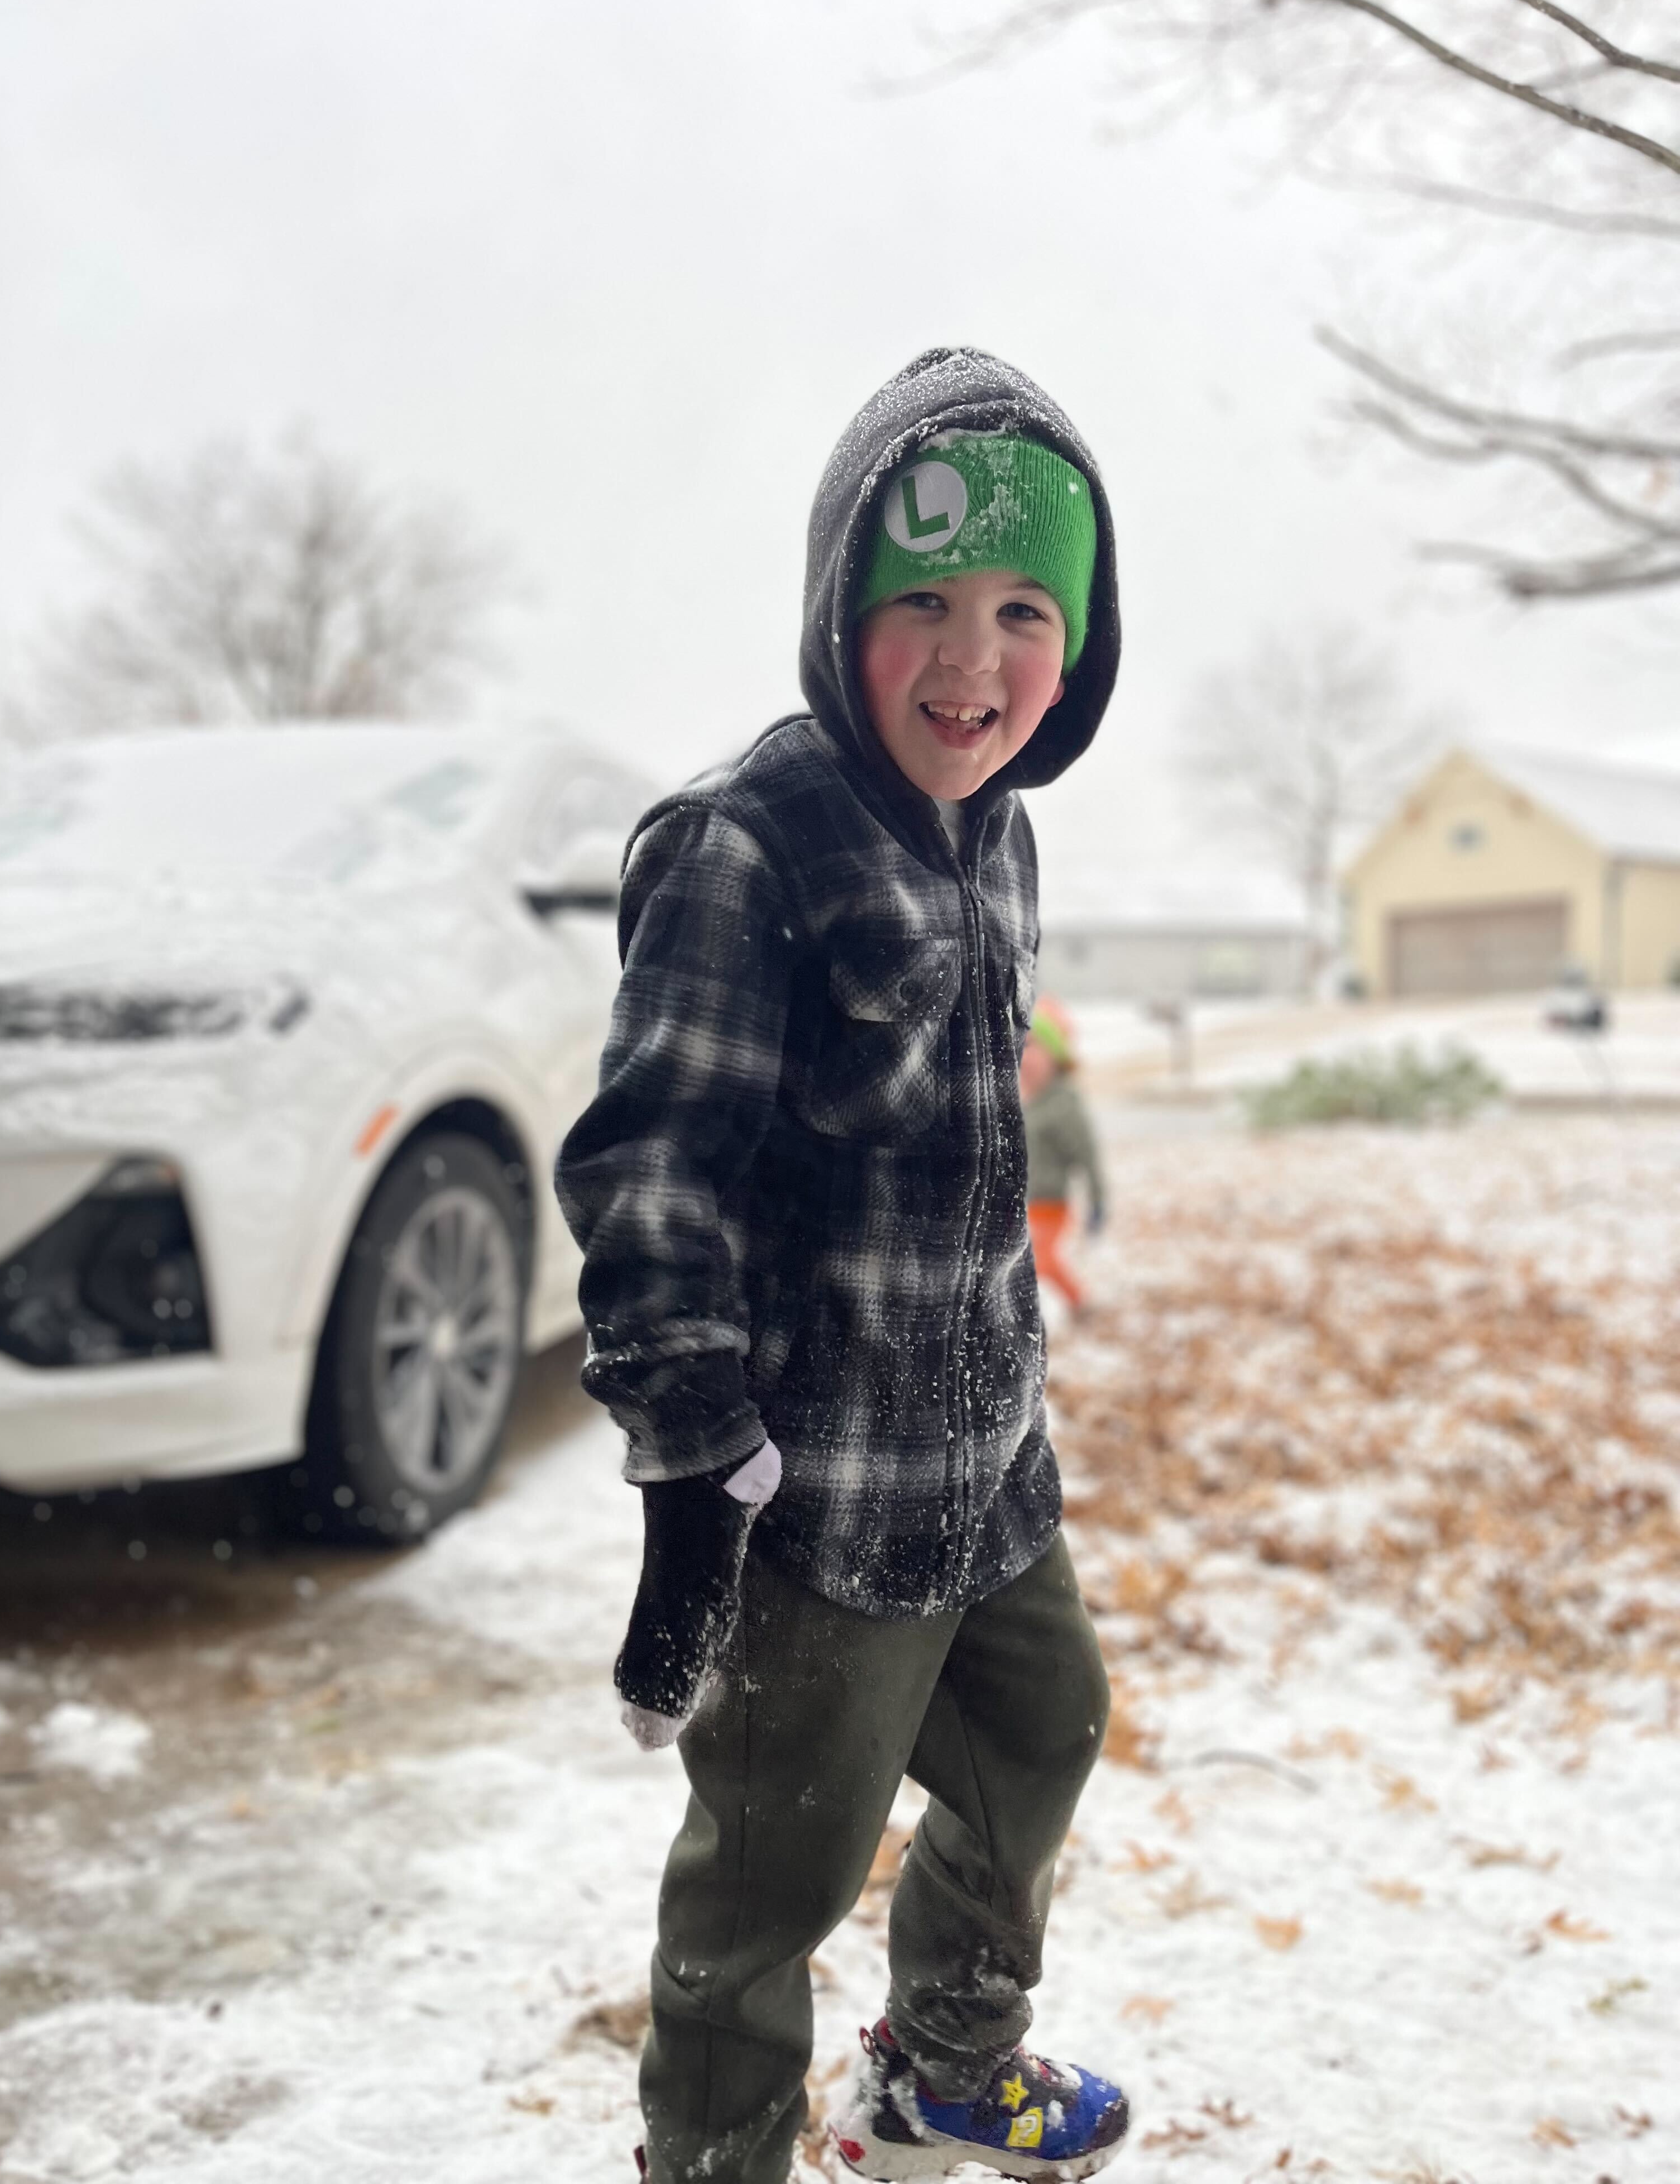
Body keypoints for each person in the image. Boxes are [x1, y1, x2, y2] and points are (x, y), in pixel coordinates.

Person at [556, 347, 1130, 2184]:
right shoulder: (744, 846)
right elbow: (655, 1173)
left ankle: (948, 2065)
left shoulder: (1000, 833)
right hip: (813, 1498)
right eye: (926, 606)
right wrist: (690, 1460)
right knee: (766, 1878)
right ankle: (711, 2159)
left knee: (1042, 1735)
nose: (974, 663)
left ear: (1078, 645)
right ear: (839, 615)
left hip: (986, 1472)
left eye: (1023, 611)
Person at [1021, 999, 1105, 1317]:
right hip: (1027, 1202)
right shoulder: (1030, 1100)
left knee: (1038, 1259)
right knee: (1026, 1261)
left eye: (1032, 1045)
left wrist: (1098, 1202)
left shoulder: (1065, 1104)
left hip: (1051, 1203)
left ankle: (1080, 1304)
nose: (1023, 1056)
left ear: (1055, 1056)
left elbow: (1089, 1157)